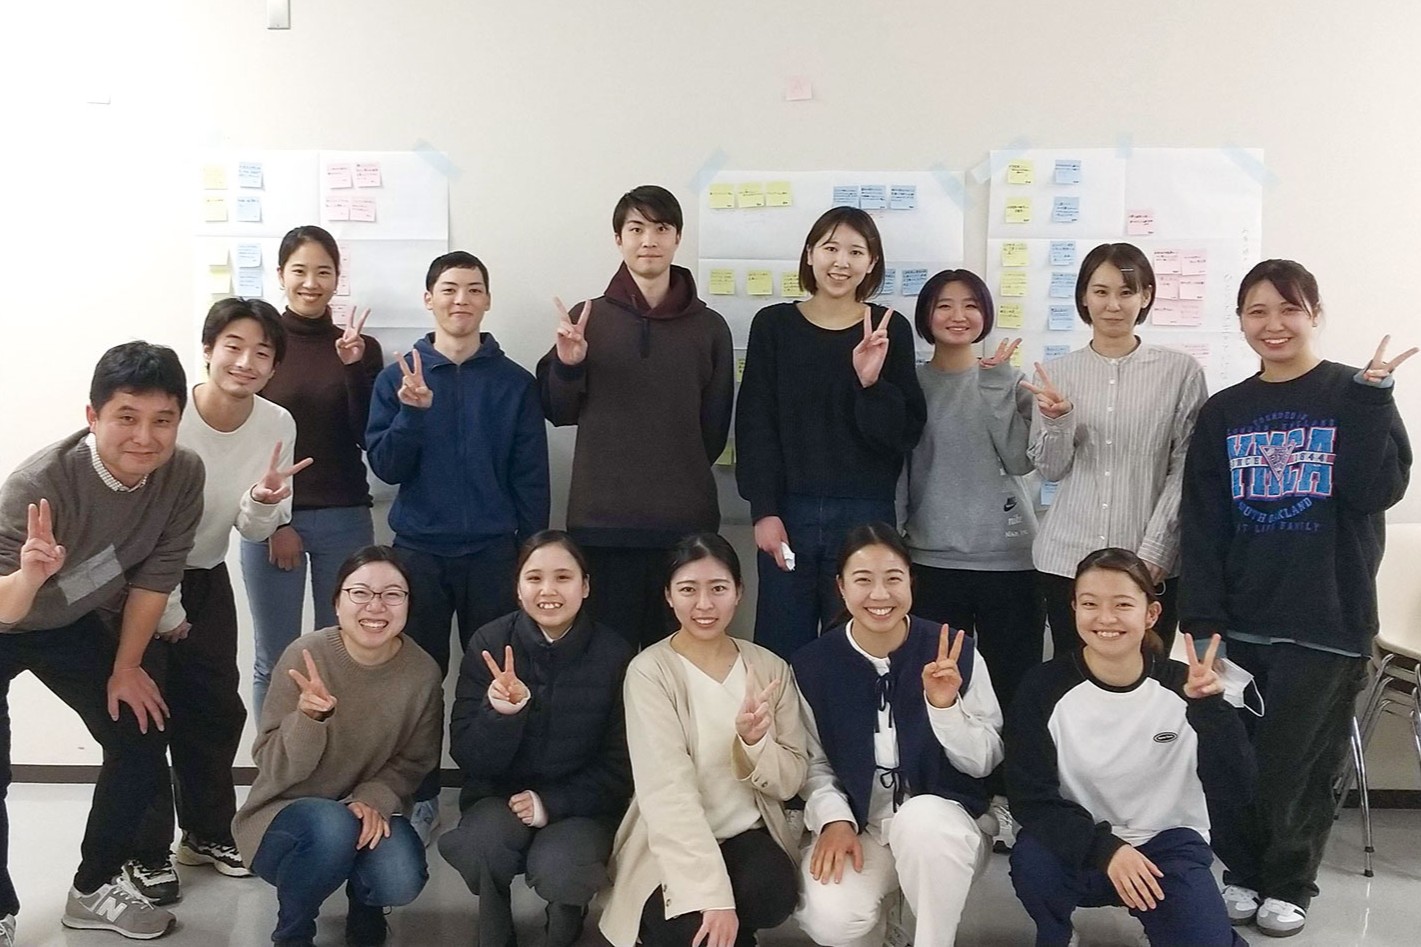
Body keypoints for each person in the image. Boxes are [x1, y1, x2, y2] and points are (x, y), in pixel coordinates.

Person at [1180, 259, 1413, 937]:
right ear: (1240, 321)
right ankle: (1243, 872)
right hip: (1241, 618)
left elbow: (1375, 491)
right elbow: (1203, 522)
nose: (1273, 324)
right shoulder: (1224, 411)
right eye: (1256, 311)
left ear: (1314, 314)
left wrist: (1373, 399)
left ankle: (1289, 882)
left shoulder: (1354, 393)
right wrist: (1202, 620)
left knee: (1298, 766)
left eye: (1288, 309)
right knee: (1232, 759)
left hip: (1326, 617)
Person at [0, 341, 204, 940]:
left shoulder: (183, 475)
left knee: (139, 733)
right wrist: (29, 576)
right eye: (126, 417)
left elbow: (155, 580)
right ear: (93, 416)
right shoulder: (37, 485)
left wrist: (126, 666)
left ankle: (93, 888)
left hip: (68, 623)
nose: (145, 437)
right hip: (6, 615)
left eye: (162, 420)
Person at [124, 300, 309, 905]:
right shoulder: (172, 417)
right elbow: (145, 522)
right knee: (145, 716)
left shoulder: (276, 423)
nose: (246, 361)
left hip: (205, 573)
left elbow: (254, 528)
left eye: (262, 352)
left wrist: (262, 500)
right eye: (233, 345)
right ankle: (145, 851)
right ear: (207, 350)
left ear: (275, 365)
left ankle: (205, 833)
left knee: (214, 710)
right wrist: (167, 609)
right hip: (140, 578)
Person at [366, 250, 550, 844]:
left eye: (473, 289)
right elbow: (386, 468)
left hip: (495, 553)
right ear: (429, 299)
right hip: (419, 552)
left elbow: (531, 477)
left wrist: (530, 556)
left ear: (488, 300)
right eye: (448, 289)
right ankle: (419, 795)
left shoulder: (515, 383)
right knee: (418, 680)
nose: (460, 300)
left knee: (494, 676)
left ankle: (487, 795)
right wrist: (412, 414)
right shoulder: (398, 377)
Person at [1006, 548, 1253, 947]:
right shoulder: (1043, 687)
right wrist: (1106, 849)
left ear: (1151, 614)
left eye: (1122, 604)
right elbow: (1030, 798)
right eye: (1090, 604)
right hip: (1082, 840)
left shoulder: (1186, 685)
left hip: (1167, 844)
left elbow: (1238, 785)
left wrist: (1211, 711)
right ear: (1074, 609)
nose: (1105, 618)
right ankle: (1057, 933)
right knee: (1035, 863)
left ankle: (1166, 922)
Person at [537, 185, 734, 650]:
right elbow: (556, 411)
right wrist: (569, 364)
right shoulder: (588, 318)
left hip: (684, 526)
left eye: (661, 228)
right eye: (636, 228)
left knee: (681, 659)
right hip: (602, 526)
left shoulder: (710, 327)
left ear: (678, 238)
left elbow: (713, 428)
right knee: (608, 661)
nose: (649, 240)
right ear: (618, 239)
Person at [792, 522, 1002, 947]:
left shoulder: (953, 650)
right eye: (863, 580)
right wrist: (834, 818)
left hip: (945, 826)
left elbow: (984, 761)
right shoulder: (814, 664)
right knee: (830, 917)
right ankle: (887, 924)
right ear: (841, 587)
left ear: (911, 582)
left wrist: (945, 707)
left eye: (893, 579)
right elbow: (814, 762)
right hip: (864, 828)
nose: (880, 594)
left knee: (920, 821)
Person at [735, 207, 927, 658]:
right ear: (810, 254)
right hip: (790, 511)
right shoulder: (774, 325)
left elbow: (903, 434)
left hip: (866, 511)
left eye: (856, 252)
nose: (841, 262)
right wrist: (764, 510)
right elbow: (755, 423)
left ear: (872, 262)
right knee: (782, 645)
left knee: (859, 646)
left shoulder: (888, 329)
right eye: (831, 248)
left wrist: (870, 384)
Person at [600, 534, 806, 947]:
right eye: (688, 590)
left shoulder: (770, 668)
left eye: (718, 588)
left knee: (773, 892)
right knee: (691, 928)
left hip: (746, 836)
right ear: (668, 596)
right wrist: (713, 896)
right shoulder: (649, 671)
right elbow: (667, 790)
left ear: (739, 593)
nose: (704, 604)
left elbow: (791, 780)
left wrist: (754, 745)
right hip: (670, 843)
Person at [233, 546, 442, 947]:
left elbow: (415, 760)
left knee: (400, 876)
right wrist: (308, 720)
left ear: (408, 603)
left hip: (368, 807)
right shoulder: (305, 656)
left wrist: (373, 797)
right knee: (333, 826)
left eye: (392, 594)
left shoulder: (422, 672)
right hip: (287, 813)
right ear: (337, 601)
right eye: (360, 592)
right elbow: (273, 766)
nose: (376, 606)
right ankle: (293, 932)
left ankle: (365, 909)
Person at [897, 268, 1042, 845]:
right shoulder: (909, 382)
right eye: (943, 305)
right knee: (942, 685)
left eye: (970, 305)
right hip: (932, 559)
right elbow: (900, 467)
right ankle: (953, 796)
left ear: (985, 314)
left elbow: (1021, 458)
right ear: (926, 316)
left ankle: (1009, 800)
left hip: (1010, 561)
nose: (958, 316)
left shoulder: (1007, 378)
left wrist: (998, 384)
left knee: (1012, 685)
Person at [438, 530, 632, 947]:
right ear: (518, 587)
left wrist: (550, 803)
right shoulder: (490, 643)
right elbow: (468, 754)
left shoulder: (615, 654)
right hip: (497, 798)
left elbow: (621, 768)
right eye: (534, 578)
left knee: (564, 866)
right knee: (480, 844)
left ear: (585, 586)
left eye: (563, 577)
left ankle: (565, 915)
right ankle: (494, 915)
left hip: (582, 807)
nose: (548, 590)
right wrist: (502, 714)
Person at [1024, 242, 1207, 657]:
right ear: (1083, 298)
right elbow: (1051, 470)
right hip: (1066, 560)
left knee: (1148, 677)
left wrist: (1157, 549)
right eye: (1100, 291)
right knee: (1074, 677)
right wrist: (1058, 421)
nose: (1113, 305)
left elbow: (1186, 468)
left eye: (1126, 292)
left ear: (1146, 296)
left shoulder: (1180, 372)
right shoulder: (1056, 373)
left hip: (1149, 561)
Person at [241, 225, 384, 712]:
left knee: (344, 654)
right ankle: (274, 760)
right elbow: (245, 439)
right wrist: (275, 523)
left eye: (323, 271)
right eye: (299, 270)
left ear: (337, 278)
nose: (311, 282)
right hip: (271, 519)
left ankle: (333, 758)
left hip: (345, 516)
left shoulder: (359, 346)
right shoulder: (260, 348)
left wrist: (353, 367)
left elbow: (367, 435)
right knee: (276, 658)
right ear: (281, 274)